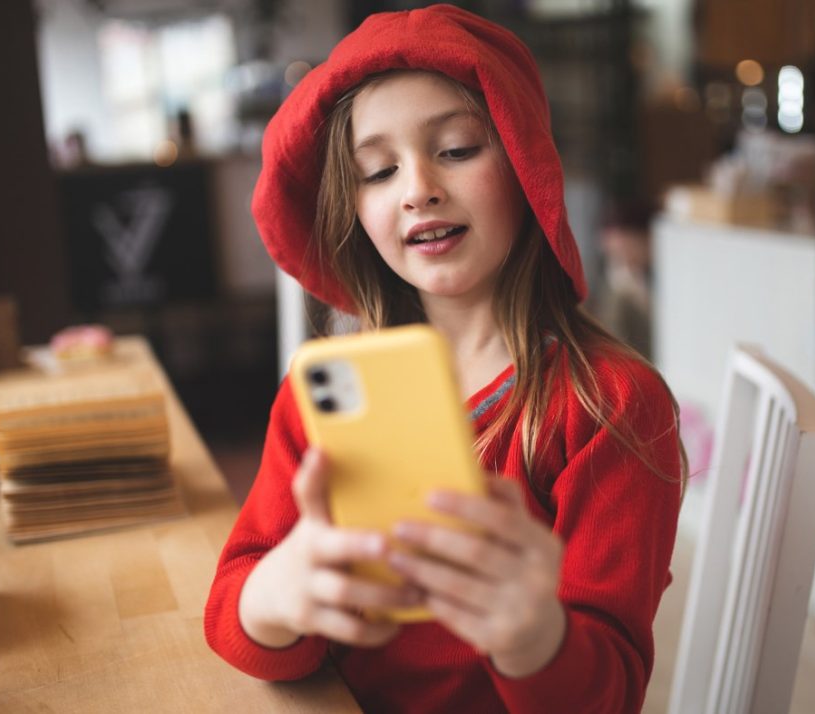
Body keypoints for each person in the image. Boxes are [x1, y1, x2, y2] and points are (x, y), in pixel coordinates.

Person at [205, 6, 685, 712]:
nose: (417, 188)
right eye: (377, 170)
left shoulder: (610, 404)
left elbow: (606, 695)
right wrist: (280, 595)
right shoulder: (327, 397)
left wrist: (533, 637)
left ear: (526, 165)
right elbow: (233, 614)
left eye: (457, 149)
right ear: (355, 210)